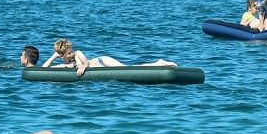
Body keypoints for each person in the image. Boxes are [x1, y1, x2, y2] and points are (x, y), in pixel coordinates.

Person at [43, 39, 176, 77]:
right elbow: (44, 69)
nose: (71, 54)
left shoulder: (78, 53)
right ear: (62, 55)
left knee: (128, 69)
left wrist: (83, 66)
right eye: (68, 53)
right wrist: (54, 56)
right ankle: (157, 64)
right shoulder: (64, 65)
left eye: (70, 51)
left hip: (102, 61)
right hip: (100, 68)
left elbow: (85, 63)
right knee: (129, 69)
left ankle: (158, 63)